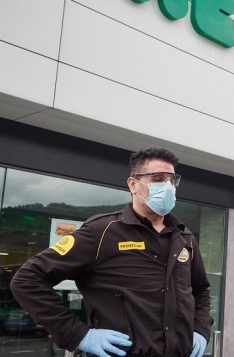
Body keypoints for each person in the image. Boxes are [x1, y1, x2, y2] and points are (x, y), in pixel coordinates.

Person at [11, 148, 213, 357]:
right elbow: (28, 279)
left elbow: (200, 291)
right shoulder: (101, 231)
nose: (168, 186)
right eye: (158, 178)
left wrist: (201, 329)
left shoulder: (184, 238)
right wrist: (78, 335)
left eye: (172, 180)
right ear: (133, 184)